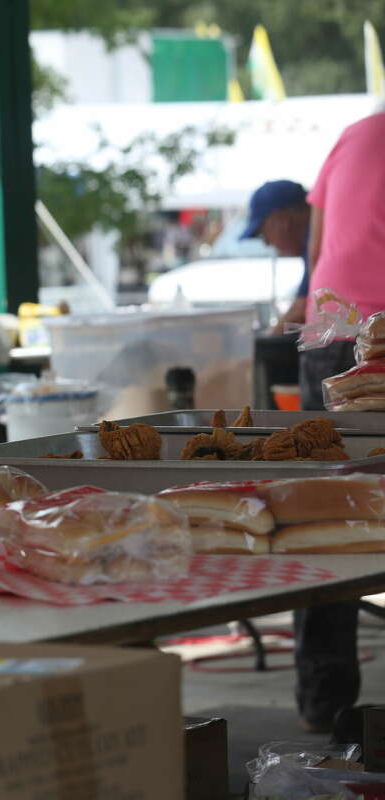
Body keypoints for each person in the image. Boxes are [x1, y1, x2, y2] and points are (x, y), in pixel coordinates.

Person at [292, 111, 385, 736]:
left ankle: (324, 701)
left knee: (325, 508)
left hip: (328, 330)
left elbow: (316, 241)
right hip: (376, 331)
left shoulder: (356, 130)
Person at [238, 180, 311, 334]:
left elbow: (300, 309)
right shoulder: (313, 240)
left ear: (280, 221)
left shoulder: (314, 241)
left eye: (263, 234)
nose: (267, 243)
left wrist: (265, 342)